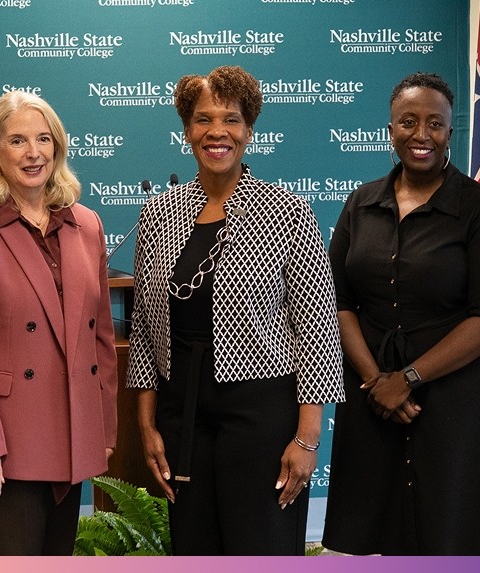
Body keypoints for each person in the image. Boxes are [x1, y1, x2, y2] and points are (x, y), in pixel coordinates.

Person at [127, 65, 343, 555]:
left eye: (231, 119)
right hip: (182, 406)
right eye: (203, 119)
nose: (217, 132)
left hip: (261, 408)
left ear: (249, 130)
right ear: (187, 130)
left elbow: (317, 330)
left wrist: (308, 439)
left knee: (259, 544)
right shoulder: (159, 213)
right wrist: (146, 425)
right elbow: (143, 329)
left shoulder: (286, 210)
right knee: (195, 545)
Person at [321, 72, 480, 555]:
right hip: (371, 395)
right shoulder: (360, 204)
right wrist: (378, 380)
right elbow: (339, 302)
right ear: (390, 129)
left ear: (449, 133)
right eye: (408, 122)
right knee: (374, 534)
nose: (421, 134)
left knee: (454, 534)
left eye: (435, 123)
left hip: (457, 397)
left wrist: (409, 378)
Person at [0, 90, 117, 556]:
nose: (33, 153)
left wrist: (104, 432)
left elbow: (99, 338)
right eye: (17, 140)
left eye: (43, 139)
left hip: (71, 432)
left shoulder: (87, 224)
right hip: (3, 442)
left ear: (58, 147)